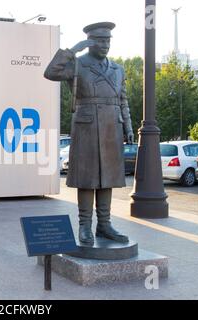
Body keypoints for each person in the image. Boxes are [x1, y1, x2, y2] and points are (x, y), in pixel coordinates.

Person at [44, 22, 134, 245]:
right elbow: (50, 72)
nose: (105, 45)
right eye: (100, 41)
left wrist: (129, 127)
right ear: (90, 42)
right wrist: (73, 50)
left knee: (108, 178)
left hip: (112, 125)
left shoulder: (118, 69)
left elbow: (123, 100)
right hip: (87, 124)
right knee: (87, 177)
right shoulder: (77, 64)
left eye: (108, 41)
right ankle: (85, 226)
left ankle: (104, 225)